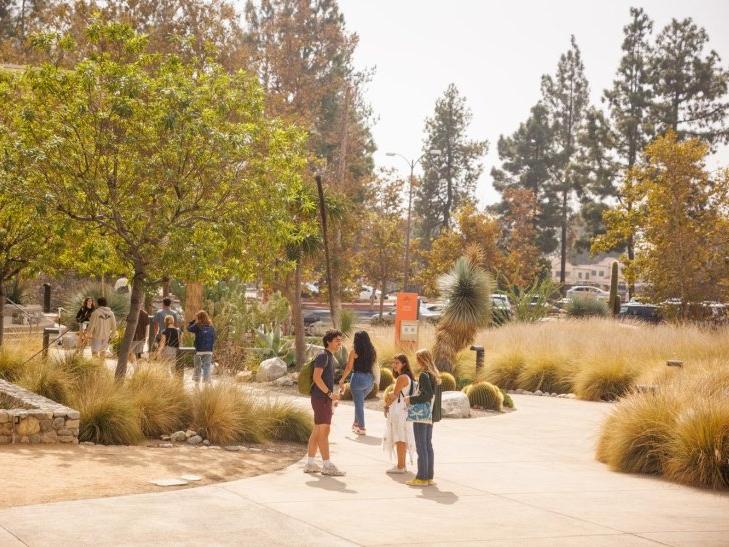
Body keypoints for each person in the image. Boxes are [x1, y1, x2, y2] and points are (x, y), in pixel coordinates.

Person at [304, 329, 346, 477]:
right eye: (337, 340)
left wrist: (332, 395)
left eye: (340, 340)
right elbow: (317, 378)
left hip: (321, 398)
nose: (339, 343)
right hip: (321, 399)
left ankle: (310, 463)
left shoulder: (328, 356)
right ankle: (327, 465)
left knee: (317, 430)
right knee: (324, 431)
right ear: (328, 341)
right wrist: (329, 394)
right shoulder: (323, 356)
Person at [404, 349, 442, 487]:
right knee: (427, 445)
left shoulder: (424, 375)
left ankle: (421, 478)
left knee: (421, 446)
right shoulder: (435, 375)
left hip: (421, 416)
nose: (416, 361)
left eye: (418, 358)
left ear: (422, 360)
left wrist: (410, 399)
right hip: (430, 415)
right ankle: (429, 477)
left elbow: (427, 395)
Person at [383, 353, 417, 474]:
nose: (394, 365)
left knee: (399, 438)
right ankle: (401, 465)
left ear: (404, 364)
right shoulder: (410, 378)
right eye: (394, 362)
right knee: (402, 437)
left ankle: (401, 466)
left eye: (397, 363)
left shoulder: (402, 378)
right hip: (405, 411)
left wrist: (385, 405)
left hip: (399, 411)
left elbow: (394, 395)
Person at [338, 330, 376, 435]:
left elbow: (349, 367)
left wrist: (342, 379)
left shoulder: (354, 352)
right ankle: (355, 423)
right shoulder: (373, 351)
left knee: (359, 404)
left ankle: (362, 427)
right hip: (370, 380)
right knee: (359, 402)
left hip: (358, 379)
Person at [187, 310, 215, 385]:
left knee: (197, 366)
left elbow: (188, 329)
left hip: (199, 350)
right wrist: (211, 350)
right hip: (209, 350)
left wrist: (193, 321)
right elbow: (213, 339)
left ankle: (197, 383)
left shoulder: (197, 326)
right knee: (207, 366)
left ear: (199, 318)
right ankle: (206, 383)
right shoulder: (211, 327)